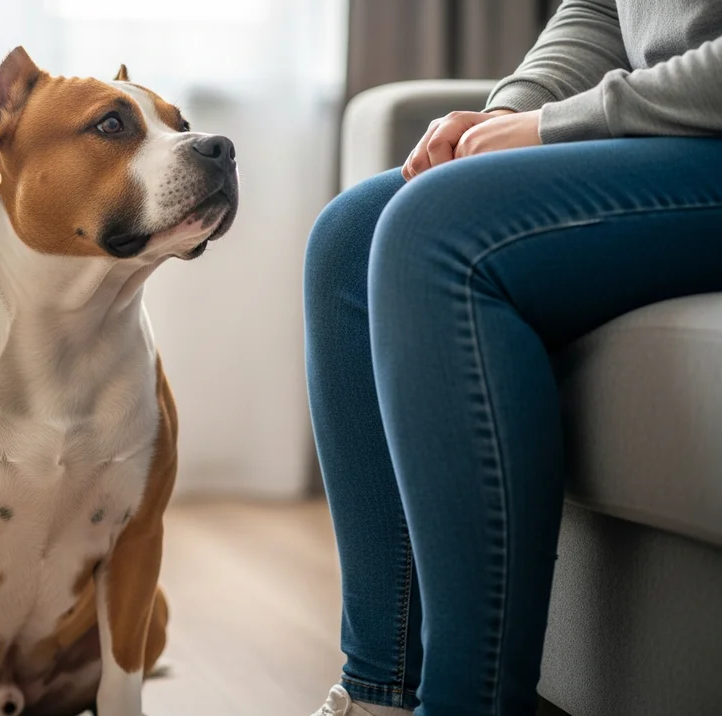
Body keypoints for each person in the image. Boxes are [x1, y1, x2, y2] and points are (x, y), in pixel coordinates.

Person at [303, 1, 722, 714]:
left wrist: (552, 128)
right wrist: (508, 115)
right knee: (350, 239)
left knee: (436, 234)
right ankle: (380, 694)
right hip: (674, 134)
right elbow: (600, 8)